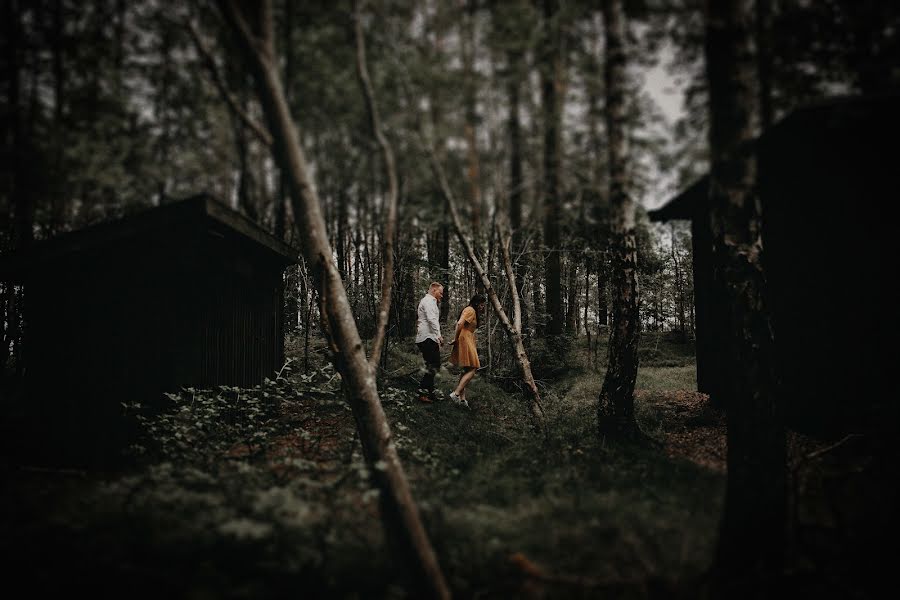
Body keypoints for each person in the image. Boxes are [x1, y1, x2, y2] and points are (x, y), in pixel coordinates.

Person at [448, 293, 486, 409]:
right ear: (476, 303)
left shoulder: (472, 311)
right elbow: (459, 323)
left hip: (468, 338)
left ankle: (462, 399)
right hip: (465, 338)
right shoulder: (470, 309)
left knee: (466, 369)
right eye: (481, 304)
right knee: (474, 367)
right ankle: (456, 394)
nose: (482, 307)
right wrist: (455, 339)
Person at [415, 282, 444, 403]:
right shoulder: (428, 301)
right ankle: (422, 392)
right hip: (427, 337)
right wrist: (439, 336)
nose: (441, 296)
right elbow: (432, 319)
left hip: (429, 337)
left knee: (432, 365)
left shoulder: (432, 302)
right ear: (433, 290)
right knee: (434, 365)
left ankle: (430, 393)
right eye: (440, 293)